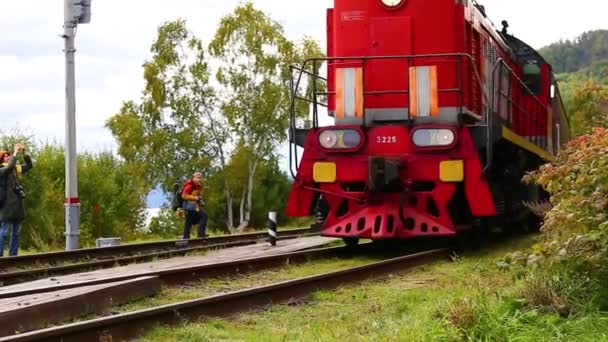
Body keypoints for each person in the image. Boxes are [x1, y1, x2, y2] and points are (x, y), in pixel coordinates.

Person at [0, 143, 33, 257]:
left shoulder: (16, 169)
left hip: (18, 205)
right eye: (5, 156)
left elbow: (29, 165)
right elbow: (9, 167)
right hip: (7, 206)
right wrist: (15, 152)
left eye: (9, 155)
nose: (8, 156)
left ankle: (13, 256)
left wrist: (24, 152)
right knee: (3, 232)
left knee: (16, 233)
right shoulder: (2, 170)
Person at [181, 171, 208, 239]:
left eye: (200, 178)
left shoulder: (197, 186)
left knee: (188, 222)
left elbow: (196, 194)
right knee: (204, 215)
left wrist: (199, 197)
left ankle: (186, 238)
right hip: (189, 206)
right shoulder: (190, 185)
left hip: (192, 207)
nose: (199, 179)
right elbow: (184, 195)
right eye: (197, 177)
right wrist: (195, 198)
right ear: (194, 178)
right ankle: (201, 234)